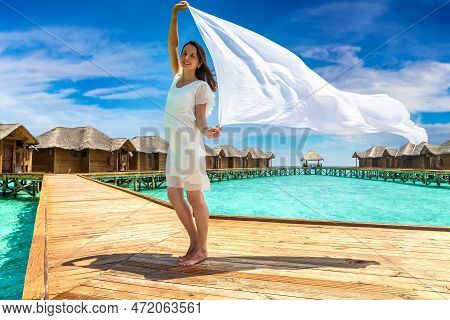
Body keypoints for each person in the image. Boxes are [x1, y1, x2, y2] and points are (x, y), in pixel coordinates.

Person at [165, 1, 221, 266]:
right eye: (185, 53)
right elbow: (171, 45)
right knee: (174, 195)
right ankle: (193, 242)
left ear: (199, 62)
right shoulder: (176, 78)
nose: (186, 56)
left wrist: (208, 131)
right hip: (174, 146)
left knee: (193, 195)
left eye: (192, 55)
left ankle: (202, 248)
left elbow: (200, 120)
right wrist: (175, 14)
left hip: (188, 145)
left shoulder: (200, 87)